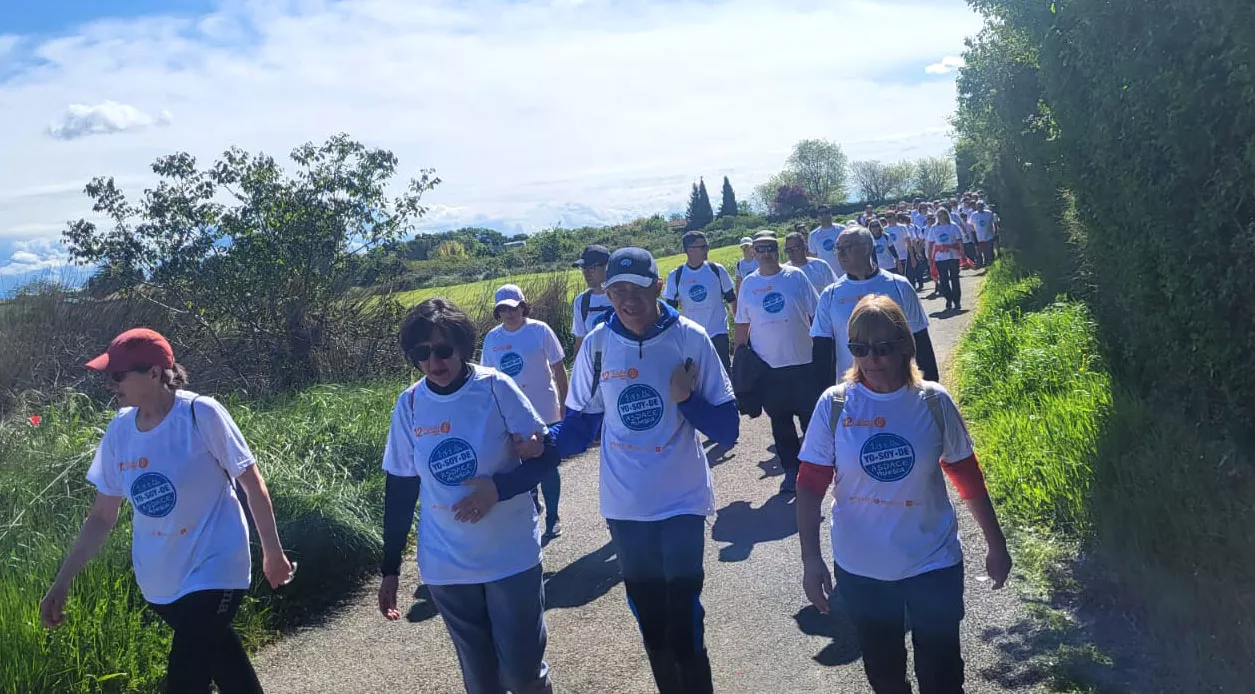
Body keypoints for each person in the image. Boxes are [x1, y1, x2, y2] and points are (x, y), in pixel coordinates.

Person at [40, 328, 294, 694]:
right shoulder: (119, 432)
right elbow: (101, 517)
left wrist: (272, 551)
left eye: (118, 375)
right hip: (160, 580)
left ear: (156, 373)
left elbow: (251, 483)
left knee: (185, 677)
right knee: (226, 665)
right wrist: (62, 582)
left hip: (216, 568)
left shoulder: (199, 414)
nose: (111, 385)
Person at [796, 295, 1013, 694]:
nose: (871, 359)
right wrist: (811, 560)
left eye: (882, 348)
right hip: (862, 569)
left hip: (932, 562)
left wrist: (995, 543)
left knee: (942, 674)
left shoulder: (931, 401)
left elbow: (966, 475)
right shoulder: (835, 405)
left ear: (904, 346)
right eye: (859, 349)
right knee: (885, 674)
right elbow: (809, 486)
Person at [556, 247, 738, 694]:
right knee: (651, 619)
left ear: (658, 287)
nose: (626, 300)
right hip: (625, 506)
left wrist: (687, 400)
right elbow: (578, 427)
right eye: (616, 290)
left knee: (683, 615)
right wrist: (532, 447)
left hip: (682, 501)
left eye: (636, 289)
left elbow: (728, 429)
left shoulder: (690, 339)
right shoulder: (598, 346)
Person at [379, 298, 559, 694]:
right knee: (482, 683)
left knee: (522, 675)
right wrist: (390, 567)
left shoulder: (496, 387)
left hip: (510, 555)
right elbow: (401, 487)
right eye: (422, 353)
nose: (434, 361)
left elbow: (546, 458)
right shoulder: (409, 404)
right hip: (447, 564)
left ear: (462, 347)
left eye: (443, 350)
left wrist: (505, 483)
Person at [734, 230, 820, 494]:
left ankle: (816, 468)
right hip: (769, 368)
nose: (767, 253)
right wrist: (739, 357)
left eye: (771, 247)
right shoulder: (749, 284)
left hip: (803, 361)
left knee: (811, 421)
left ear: (778, 250)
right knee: (780, 423)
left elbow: (816, 314)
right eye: (761, 249)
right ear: (753, 253)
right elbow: (741, 323)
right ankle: (791, 471)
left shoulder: (796, 277)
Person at [481, 284, 569, 539]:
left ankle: (553, 516)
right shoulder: (493, 339)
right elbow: (488, 379)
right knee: (521, 464)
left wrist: (565, 403)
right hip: (513, 415)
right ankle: (533, 508)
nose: (509, 314)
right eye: (503, 310)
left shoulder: (539, 330)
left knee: (548, 465)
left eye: (513, 308)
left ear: (523, 306)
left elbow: (558, 369)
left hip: (545, 408)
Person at [811, 226, 939, 386]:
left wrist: (931, 385)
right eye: (838, 249)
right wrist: (825, 397)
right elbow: (823, 351)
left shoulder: (899, 285)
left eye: (847, 247)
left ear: (866, 248)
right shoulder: (830, 295)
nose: (840, 254)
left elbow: (920, 338)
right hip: (854, 390)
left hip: (899, 386)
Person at [664, 231, 737, 375]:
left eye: (707, 246)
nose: (707, 250)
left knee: (724, 375)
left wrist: (739, 328)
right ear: (689, 250)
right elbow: (670, 311)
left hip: (718, 333)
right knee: (698, 378)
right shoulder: (676, 275)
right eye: (703, 247)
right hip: (692, 336)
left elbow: (732, 300)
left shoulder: (716, 270)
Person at [571, 244, 614, 354]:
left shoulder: (621, 295)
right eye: (584, 268)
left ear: (607, 267)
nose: (586, 273)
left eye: (592, 268)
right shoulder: (581, 301)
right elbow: (580, 342)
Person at [928, 209, 965, 311]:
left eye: (942, 215)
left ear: (946, 215)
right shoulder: (934, 229)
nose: (940, 217)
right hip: (940, 257)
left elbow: (959, 241)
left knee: (954, 278)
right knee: (944, 280)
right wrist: (930, 258)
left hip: (953, 256)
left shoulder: (953, 226)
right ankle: (948, 299)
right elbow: (930, 244)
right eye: (938, 215)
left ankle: (957, 301)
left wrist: (962, 253)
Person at [784, 228, 838, 293]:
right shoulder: (784, 272)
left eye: (795, 249)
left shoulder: (820, 265)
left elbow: (834, 290)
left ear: (805, 247)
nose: (791, 253)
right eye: (788, 250)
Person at [808, 206, 846, 271]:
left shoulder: (842, 229)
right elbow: (813, 256)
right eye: (821, 214)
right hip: (827, 274)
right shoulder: (813, 235)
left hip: (845, 271)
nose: (824, 215)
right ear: (818, 217)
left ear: (831, 214)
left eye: (826, 212)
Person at [968, 201, 997, 268]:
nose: (979, 208)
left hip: (989, 235)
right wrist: (974, 233)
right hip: (979, 237)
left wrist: (995, 232)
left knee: (990, 250)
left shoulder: (989, 213)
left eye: (981, 206)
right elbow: (971, 225)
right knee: (982, 251)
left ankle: (991, 264)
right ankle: (984, 262)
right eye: (978, 207)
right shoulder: (973, 215)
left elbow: (994, 223)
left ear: (983, 207)